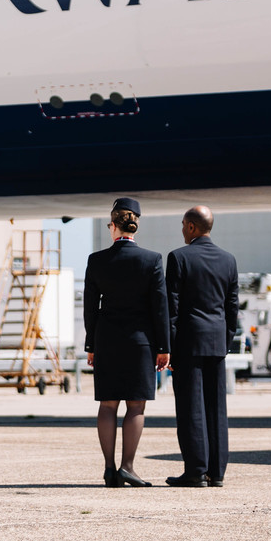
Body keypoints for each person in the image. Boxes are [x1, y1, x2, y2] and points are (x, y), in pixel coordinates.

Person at [84, 197, 170, 487]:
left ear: (113, 226)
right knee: (136, 406)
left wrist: (91, 345)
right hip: (140, 342)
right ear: (135, 226)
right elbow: (160, 308)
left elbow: (89, 308)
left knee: (108, 405)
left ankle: (109, 469)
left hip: (106, 340)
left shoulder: (96, 260)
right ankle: (128, 467)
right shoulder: (151, 259)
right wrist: (163, 347)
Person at [165, 206, 239, 488]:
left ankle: (195, 470)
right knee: (216, 408)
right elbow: (232, 307)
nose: (182, 229)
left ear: (193, 227)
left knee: (190, 407)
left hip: (188, 343)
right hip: (217, 342)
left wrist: (168, 345)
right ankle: (216, 472)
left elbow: (172, 308)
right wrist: (226, 341)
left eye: (184, 224)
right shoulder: (228, 260)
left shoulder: (179, 258)